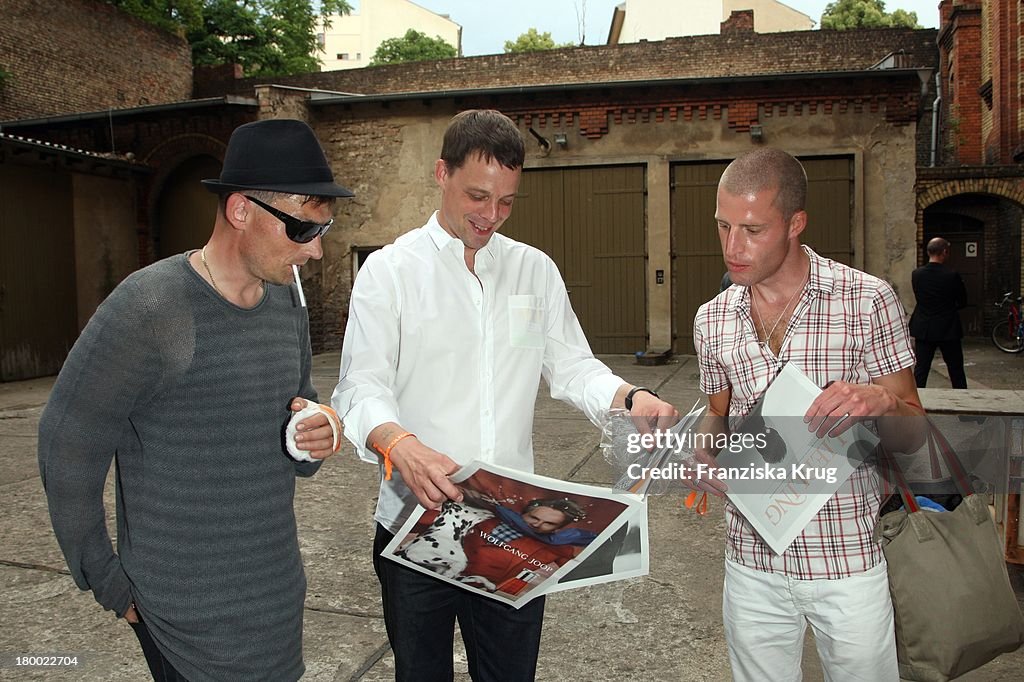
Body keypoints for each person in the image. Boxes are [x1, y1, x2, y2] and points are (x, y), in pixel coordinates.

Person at [332, 109, 680, 682]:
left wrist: (629, 397)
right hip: (415, 522)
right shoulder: (390, 272)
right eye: (477, 196)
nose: (491, 216)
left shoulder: (532, 272)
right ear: (441, 173)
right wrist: (401, 445)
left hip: (516, 526)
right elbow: (360, 385)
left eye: (507, 202)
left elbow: (570, 365)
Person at [38, 119, 352, 682]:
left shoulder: (287, 304)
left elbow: (297, 409)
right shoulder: (151, 308)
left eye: (323, 230)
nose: (318, 252)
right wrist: (105, 578)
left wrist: (317, 430)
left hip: (276, 601)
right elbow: (66, 444)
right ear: (241, 211)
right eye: (304, 231)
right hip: (182, 620)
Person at [691, 147, 925, 681]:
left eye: (752, 230)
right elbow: (715, 416)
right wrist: (704, 455)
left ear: (796, 223)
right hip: (751, 562)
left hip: (846, 560)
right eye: (723, 226)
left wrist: (883, 401)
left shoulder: (865, 301)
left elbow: (914, 433)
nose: (733, 247)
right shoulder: (712, 319)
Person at [459, 497, 594, 592]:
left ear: (557, 529)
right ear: (522, 514)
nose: (537, 525)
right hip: (445, 579)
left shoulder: (555, 547)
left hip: (489, 593)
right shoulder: (485, 520)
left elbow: (577, 571)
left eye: (549, 523)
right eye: (533, 517)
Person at [909, 237, 968, 388]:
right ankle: (963, 399)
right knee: (955, 368)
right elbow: (962, 301)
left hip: (924, 327)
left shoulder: (917, 274)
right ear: (944, 252)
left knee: (921, 368)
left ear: (928, 252)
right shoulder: (951, 275)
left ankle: (916, 401)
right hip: (948, 328)